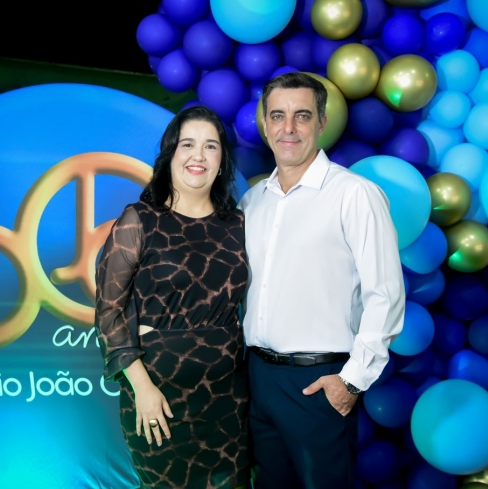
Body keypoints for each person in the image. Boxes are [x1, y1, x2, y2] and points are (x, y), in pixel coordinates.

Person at [239, 72, 405, 489]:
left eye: (302, 115)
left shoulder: (354, 194)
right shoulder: (252, 202)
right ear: (264, 124)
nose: (288, 128)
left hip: (318, 382)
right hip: (258, 377)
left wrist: (352, 381)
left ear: (322, 122)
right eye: (277, 116)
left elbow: (385, 294)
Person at [95, 106, 250, 489]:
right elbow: (109, 313)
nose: (199, 155)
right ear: (170, 155)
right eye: (188, 144)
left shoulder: (239, 225)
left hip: (228, 401)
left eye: (210, 146)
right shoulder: (139, 220)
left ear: (222, 160)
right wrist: (142, 388)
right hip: (158, 397)